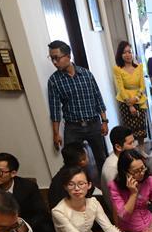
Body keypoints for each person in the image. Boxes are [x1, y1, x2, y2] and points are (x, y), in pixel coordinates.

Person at [51, 166, 134, 232]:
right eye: (71, 184)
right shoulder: (58, 211)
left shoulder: (93, 203)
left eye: (81, 184)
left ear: (89, 185)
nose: (77, 188)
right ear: (65, 187)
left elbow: (109, 228)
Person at [46, 40, 109, 174]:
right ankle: (80, 187)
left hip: (93, 123)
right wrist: (56, 133)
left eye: (57, 58)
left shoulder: (86, 74)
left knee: (102, 157)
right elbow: (55, 109)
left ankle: (108, 187)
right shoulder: (54, 81)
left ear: (68, 56)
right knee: (72, 161)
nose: (54, 62)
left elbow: (98, 97)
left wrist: (104, 121)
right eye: (52, 59)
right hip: (73, 127)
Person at [113, 41, 148, 143]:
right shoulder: (117, 69)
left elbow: (142, 85)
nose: (128, 55)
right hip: (125, 102)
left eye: (129, 52)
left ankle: (141, 150)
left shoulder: (139, 67)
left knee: (141, 129)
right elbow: (121, 88)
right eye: (124, 52)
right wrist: (130, 105)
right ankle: (132, 152)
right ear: (120, 55)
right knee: (130, 131)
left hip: (139, 100)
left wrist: (136, 98)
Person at [101, 125, 139, 211]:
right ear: (118, 147)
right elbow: (116, 203)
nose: (134, 146)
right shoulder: (113, 169)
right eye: (130, 143)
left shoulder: (125, 157)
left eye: (134, 142)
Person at [48, 142, 91, 208]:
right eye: (86, 157)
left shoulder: (62, 173)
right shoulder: (77, 178)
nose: (88, 159)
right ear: (82, 161)